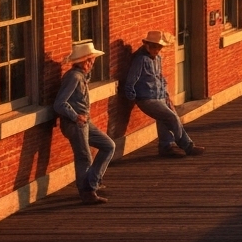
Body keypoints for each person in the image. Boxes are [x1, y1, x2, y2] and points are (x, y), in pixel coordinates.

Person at [123, 31, 205, 157]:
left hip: (160, 96)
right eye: (155, 47)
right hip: (147, 99)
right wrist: (134, 97)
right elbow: (130, 81)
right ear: (147, 45)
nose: (157, 50)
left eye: (159, 47)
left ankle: (166, 147)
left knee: (164, 118)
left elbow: (160, 79)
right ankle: (186, 145)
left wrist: (166, 97)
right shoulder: (140, 60)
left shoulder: (158, 59)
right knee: (171, 117)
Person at [55, 41, 115, 205]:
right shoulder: (74, 77)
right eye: (88, 60)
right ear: (79, 61)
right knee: (84, 157)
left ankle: (92, 182)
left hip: (85, 122)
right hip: (74, 124)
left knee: (108, 145)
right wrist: (75, 116)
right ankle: (87, 192)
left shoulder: (82, 76)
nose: (91, 63)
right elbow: (59, 103)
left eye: (92, 60)